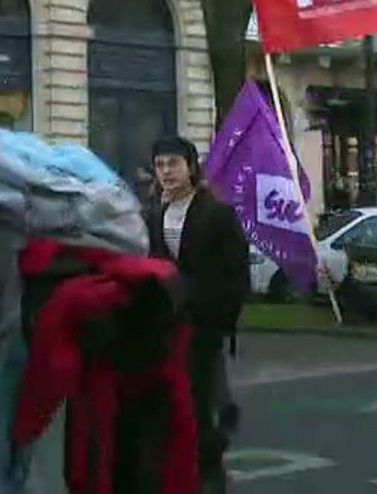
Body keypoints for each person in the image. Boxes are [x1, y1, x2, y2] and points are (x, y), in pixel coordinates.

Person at [145, 136, 250, 493]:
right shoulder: (154, 213)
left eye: (173, 164)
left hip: (204, 323)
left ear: (191, 166)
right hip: (167, 325)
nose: (166, 172)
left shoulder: (216, 212)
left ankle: (208, 472)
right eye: (160, 165)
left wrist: (222, 319)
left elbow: (236, 271)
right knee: (175, 404)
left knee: (200, 401)